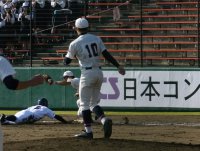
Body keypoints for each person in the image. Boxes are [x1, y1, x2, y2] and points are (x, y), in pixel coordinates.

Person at [64, 17, 125, 139]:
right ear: (88, 27)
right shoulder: (96, 38)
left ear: (76, 28)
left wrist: (72, 55)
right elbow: (106, 54)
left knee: (84, 104)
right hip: (98, 72)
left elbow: (66, 62)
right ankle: (104, 119)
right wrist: (118, 66)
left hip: (87, 74)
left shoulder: (74, 43)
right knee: (93, 103)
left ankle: (88, 132)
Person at [0, 98, 68, 124]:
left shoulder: (34, 106)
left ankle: (5, 118)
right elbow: (56, 116)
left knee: (15, 118)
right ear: (45, 103)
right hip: (29, 114)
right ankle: (4, 118)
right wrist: (65, 122)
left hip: (25, 112)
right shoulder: (45, 108)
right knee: (16, 120)